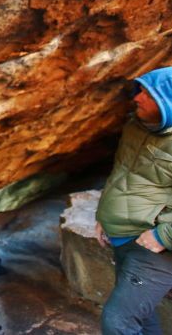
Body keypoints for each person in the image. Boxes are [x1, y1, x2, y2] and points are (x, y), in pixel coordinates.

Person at [95, 67, 172, 335]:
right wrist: (103, 217)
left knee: (118, 322)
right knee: (142, 316)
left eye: (147, 93)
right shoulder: (135, 126)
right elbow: (121, 172)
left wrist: (164, 237)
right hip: (122, 236)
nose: (137, 98)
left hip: (154, 249)